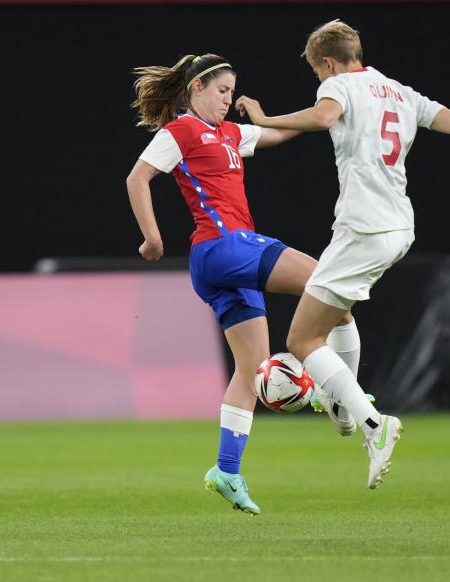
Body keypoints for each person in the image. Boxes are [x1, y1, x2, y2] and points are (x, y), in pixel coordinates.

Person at [234, 20, 450, 489]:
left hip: (362, 228)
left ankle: (371, 422)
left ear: (327, 63)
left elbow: (324, 116)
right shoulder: (399, 91)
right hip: (399, 227)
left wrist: (264, 120)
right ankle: (346, 412)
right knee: (338, 316)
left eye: (317, 73)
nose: (321, 83)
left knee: (303, 340)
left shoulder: (342, 85)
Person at [126, 53, 361, 515]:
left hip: (225, 264)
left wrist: (323, 109)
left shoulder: (231, 133)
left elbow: (279, 134)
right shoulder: (181, 131)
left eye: (231, 92)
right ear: (196, 90)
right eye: (221, 91)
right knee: (327, 281)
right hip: (224, 246)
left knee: (250, 370)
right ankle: (337, 393)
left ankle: (226, 471)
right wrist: (152, 237)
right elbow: (138, 177)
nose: (227, 99)